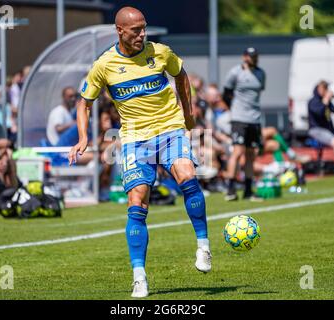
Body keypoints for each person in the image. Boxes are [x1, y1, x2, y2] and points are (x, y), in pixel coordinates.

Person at [68, 7, 211, 298]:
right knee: (137, 201)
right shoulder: (104, 65)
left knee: (187, 176)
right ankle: (139, 277)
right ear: (119, 31)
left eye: (144, 28)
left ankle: (204, 246)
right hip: (135, 138)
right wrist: (83, 137)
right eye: (136, 30)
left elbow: (181, 76)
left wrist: (189, 115)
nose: (142, 34)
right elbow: (83, 102)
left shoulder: (160, 52)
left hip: (170, 128)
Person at [222, 47, 266, 201]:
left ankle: (248, 190)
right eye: (249, 56)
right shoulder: (235, 72)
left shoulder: (261, 74)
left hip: (254, 119)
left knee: (250, 155)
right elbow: (226, 94)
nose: (252, 58)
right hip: (239, 118)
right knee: (238, 152)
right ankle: (230, 189)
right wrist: (234, 110)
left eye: (254, 56)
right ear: (244, 57)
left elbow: (257, 95)